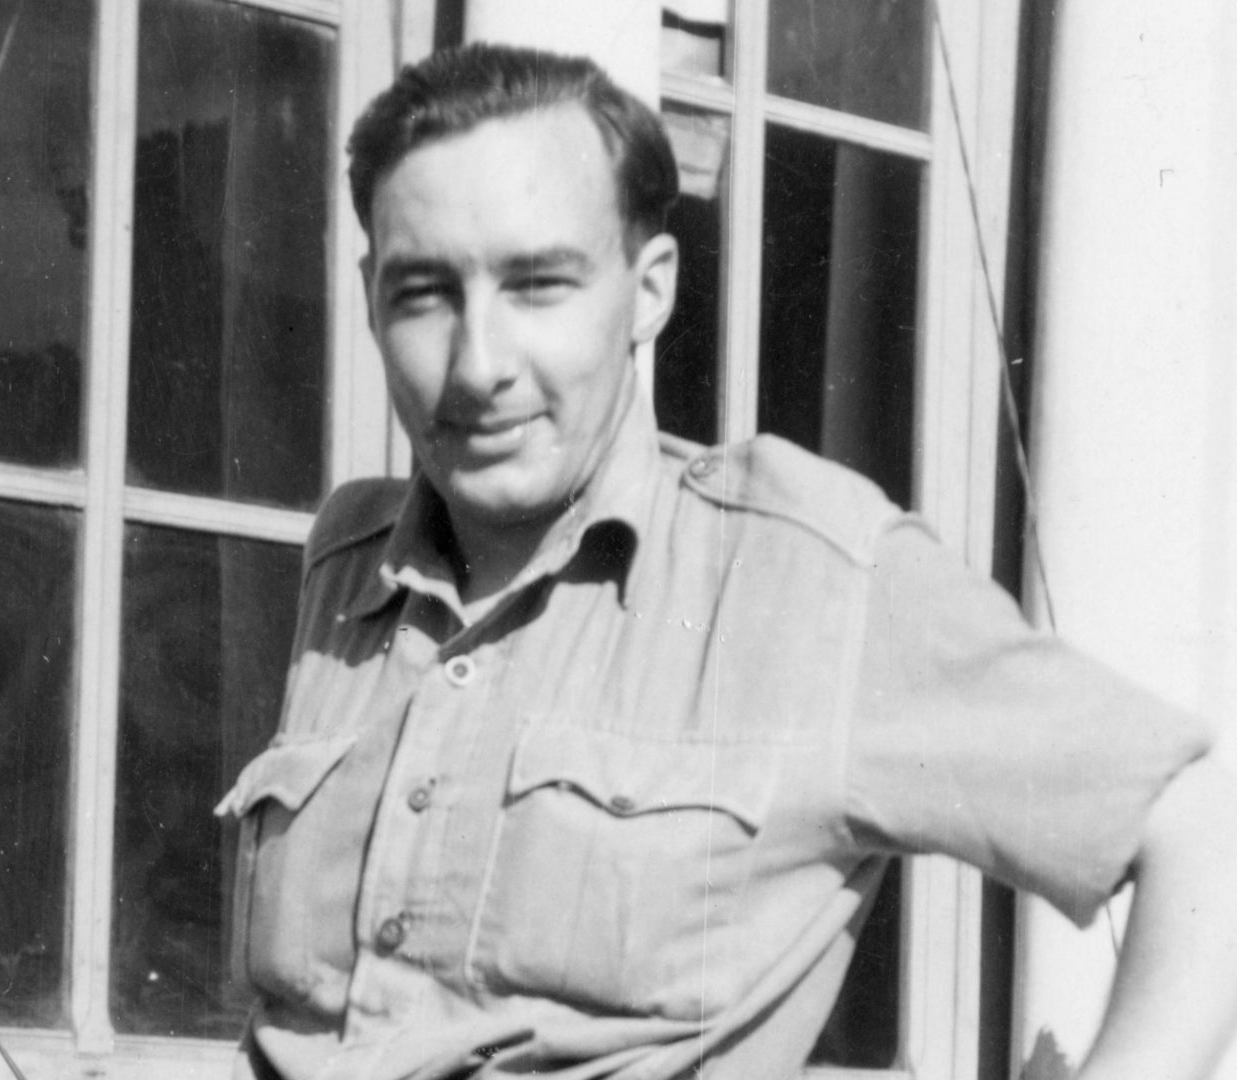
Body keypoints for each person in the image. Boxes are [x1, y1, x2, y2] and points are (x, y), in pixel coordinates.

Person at [218, 42, 1237, 1080]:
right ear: (370, 298)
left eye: (538, 285)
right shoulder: (349, 563)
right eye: (425, 293)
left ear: (648, 291)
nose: (480, 365)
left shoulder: (809, 574)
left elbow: (1199, 831)